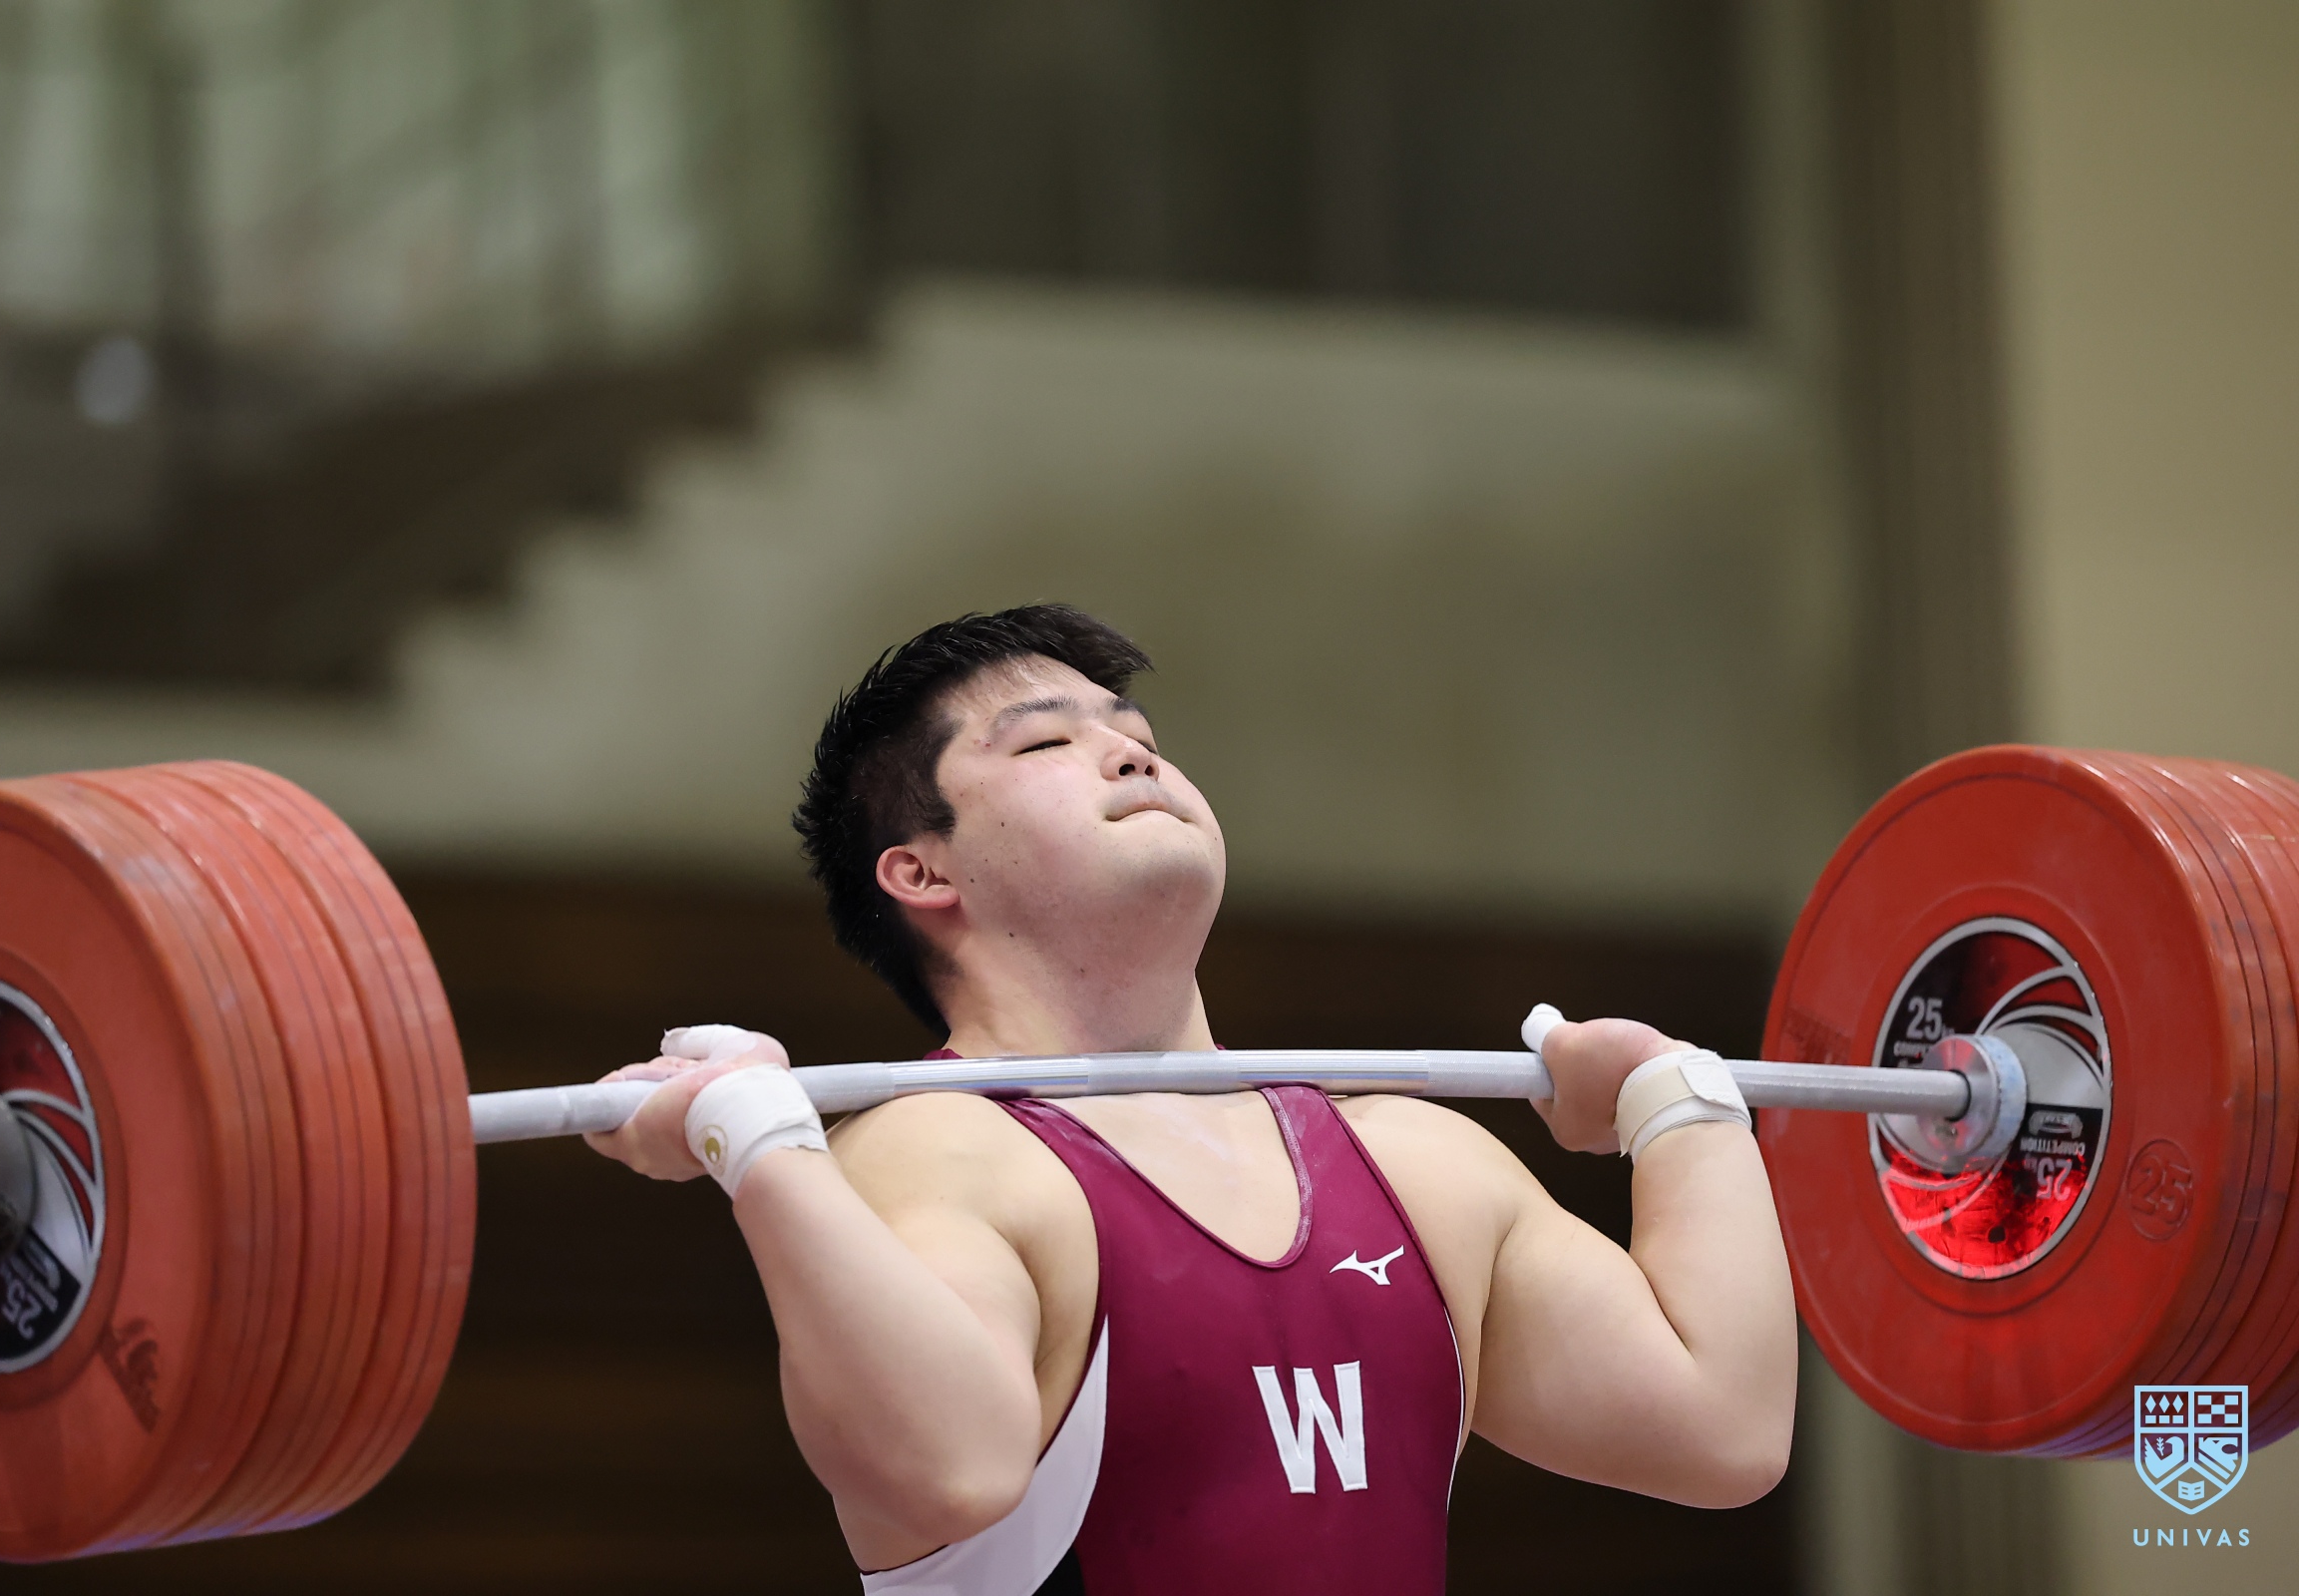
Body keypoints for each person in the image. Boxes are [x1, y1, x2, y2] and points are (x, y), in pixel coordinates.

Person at [586, 604, 1794, 1594]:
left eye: (1139, 735)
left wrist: (1673, 1102)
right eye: (1044, 745)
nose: (1133, 755)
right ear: (921, 868)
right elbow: (952, 1467)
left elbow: (1723, 1429)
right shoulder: (938, 1154)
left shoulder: (1420, 1163)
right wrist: (761, 1142)